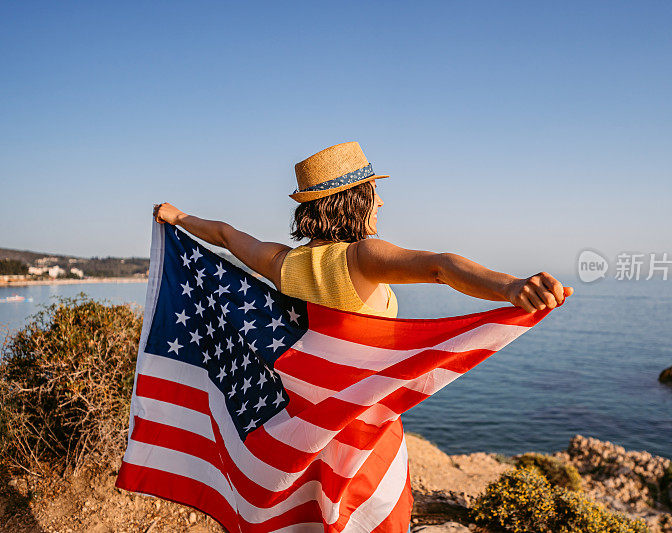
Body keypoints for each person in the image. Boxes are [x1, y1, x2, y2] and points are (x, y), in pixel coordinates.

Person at [152, 141, 572, 530]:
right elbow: (439, 266)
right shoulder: (362, 256)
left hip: (308, 426)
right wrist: (509, 287)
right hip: (363, 429)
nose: (382, 201)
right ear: (354, 198)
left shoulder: (283, 262)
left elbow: (226, 235)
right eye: (374, 190)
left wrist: (179, 217)